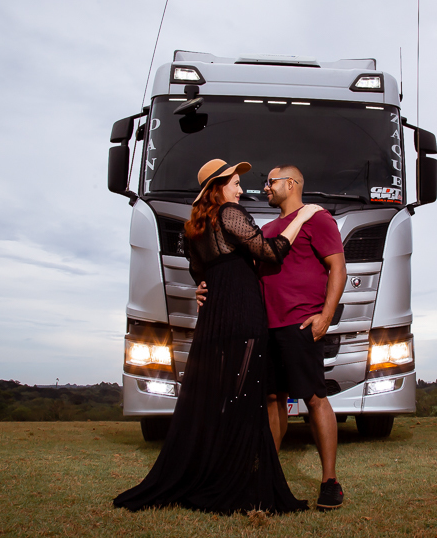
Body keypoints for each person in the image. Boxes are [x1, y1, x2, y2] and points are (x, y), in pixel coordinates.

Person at [114, 159, 321, 515]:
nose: (241, 190)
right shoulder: (228, 214)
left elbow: (200, 274)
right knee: (246, 395)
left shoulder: (192, 226)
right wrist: (303, 218)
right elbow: (269, 251)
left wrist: (202, 290)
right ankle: (236, 477)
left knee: (219, 394)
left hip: (215, 317)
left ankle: (213, 470)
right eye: (236, 183)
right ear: (219, 186)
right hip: (242, 310)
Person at [197, 165, 348, 511]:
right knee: (271, 399)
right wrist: (203, 287)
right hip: (264, 326)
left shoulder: (318, 220)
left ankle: (330, 481)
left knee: (314, 397)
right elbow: (236, 268)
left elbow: (337, 267)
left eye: (270, 182)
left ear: (291, 184)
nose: (263, 187)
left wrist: (326, 315)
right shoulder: (266, 229)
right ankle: (266, 475)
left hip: (300, 324)